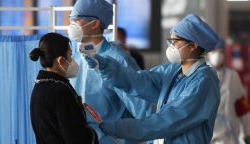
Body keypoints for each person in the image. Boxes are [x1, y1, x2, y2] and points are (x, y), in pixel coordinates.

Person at [85, 14, 221, 143]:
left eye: (175, 41)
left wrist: (118, 128)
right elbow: (138, 81)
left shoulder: (204, 81)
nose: (171, 46)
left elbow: (167, 121)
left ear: (193, 45)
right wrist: (107, 67)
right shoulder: (172, 72)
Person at [68, 0, 153, 143]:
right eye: (70, 20)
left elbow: (142, 108)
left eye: (77, 20)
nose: (72, 25)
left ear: (95, 23)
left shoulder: (118, 59)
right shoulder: (74, 58)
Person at [29, 33, 98, 144]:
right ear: (60, 61)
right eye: (70, 56)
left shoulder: (39, 87)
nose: (73, 60)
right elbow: (76, 138)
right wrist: (93, 135)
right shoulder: (61, 92)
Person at [207, 38, 250, 144]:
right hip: (206, 136)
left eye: (220, 51)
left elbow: (242, 106)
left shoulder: (232, 76)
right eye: (213, 51)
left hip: (228, 136)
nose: (217, 55)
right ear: (207, 54)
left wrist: (247, 132)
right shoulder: (199, 75)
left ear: (225, 54)